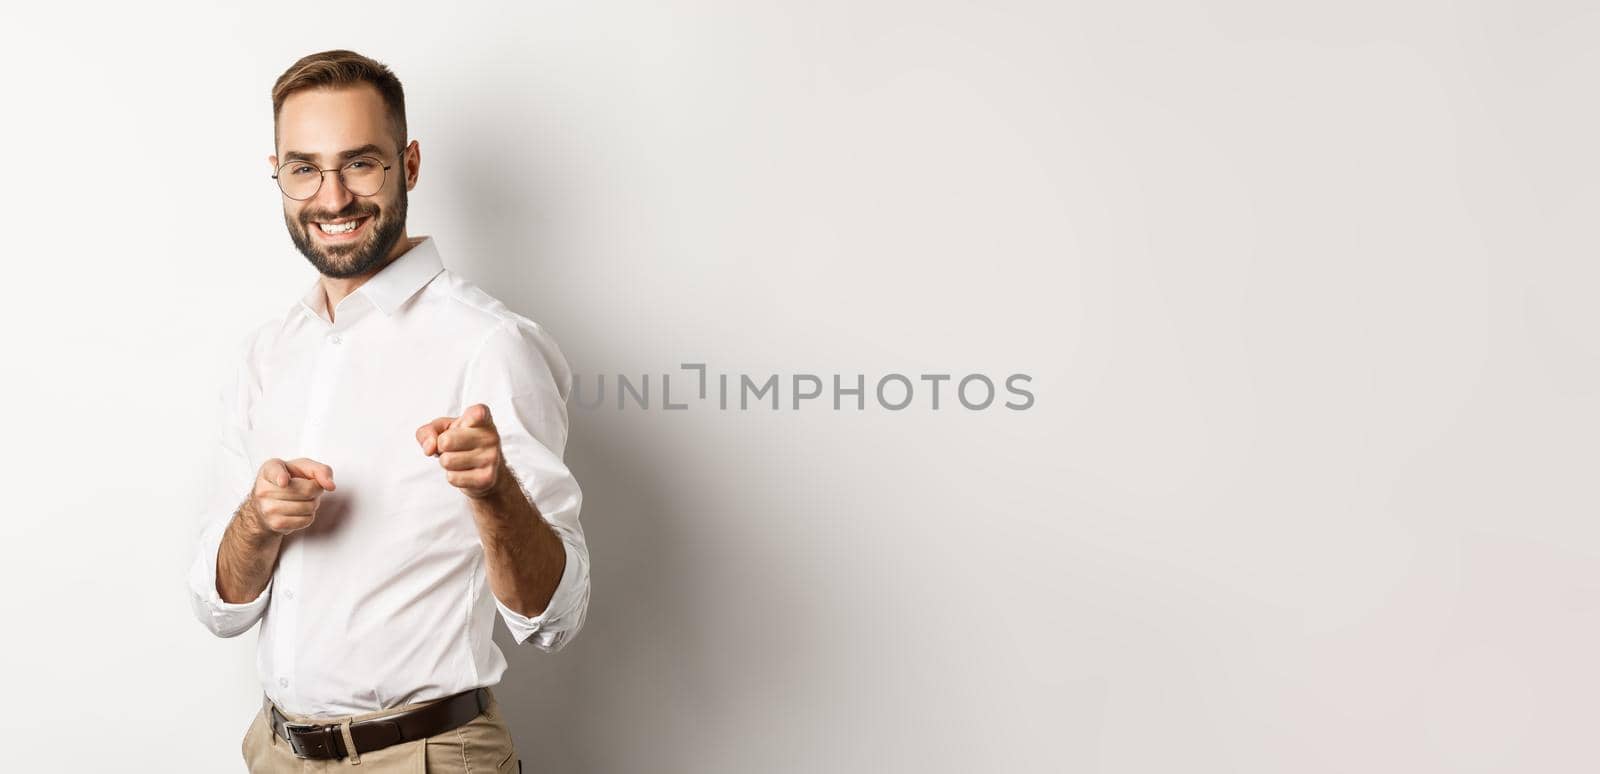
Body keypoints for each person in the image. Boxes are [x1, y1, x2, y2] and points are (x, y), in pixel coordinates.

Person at [185, 49, 590, 773]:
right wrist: (255, 520)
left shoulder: (491, 345)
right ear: (277, 174)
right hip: (276, 752)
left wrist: (494, 494)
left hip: (427, 758)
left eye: (360, 164)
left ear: (408, 165)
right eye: (304, 168)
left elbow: (554, 620)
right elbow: (222, 606)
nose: (333, 198)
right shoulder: (269, 353)